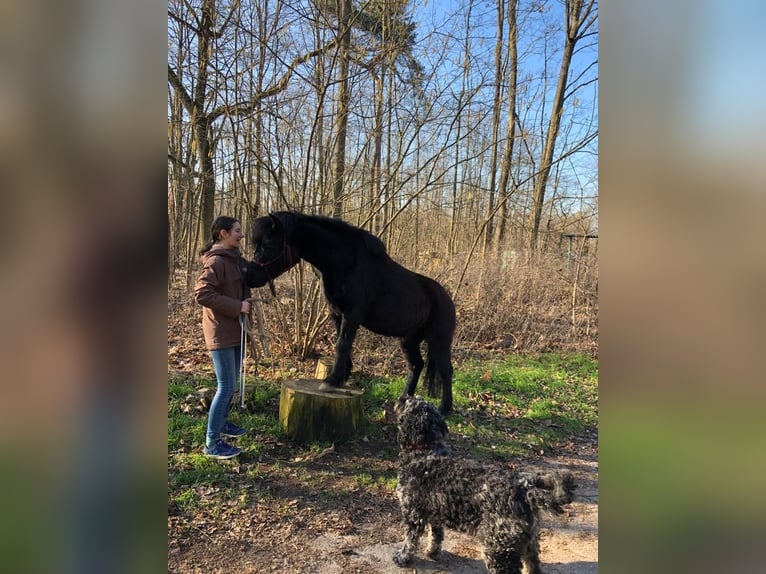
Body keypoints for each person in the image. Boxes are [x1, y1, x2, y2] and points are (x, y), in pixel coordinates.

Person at [193, 216, 254, 459]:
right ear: (223, 234)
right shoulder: (217, 261)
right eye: (237, 231)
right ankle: (212, 442)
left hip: (235, 329)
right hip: (220, 331)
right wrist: (237, 305)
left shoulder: (235, 259)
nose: (241, 235)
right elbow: (202, 294)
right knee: (226, 386)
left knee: (232, 382)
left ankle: (223, 422)